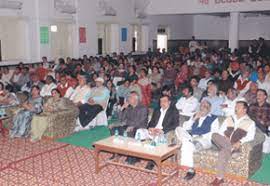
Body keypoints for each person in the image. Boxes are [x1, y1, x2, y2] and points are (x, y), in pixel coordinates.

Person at [210, 101, 256, 185]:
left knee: (223, 152)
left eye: (238, 107)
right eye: (236, 106)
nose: (236, 108)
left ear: (245, 109)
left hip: (235, 144)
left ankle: (219, 178)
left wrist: (240, 141)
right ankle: (231, 149)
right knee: (214, 135)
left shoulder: (250, 122)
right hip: (224, 141)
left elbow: (251, 136)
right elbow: (221, 130)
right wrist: (224, 136)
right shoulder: (229, 118)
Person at [175, 100, 219, 181]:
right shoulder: (195, 115)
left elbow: (214, 133)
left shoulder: (214, 118)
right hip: (191, 138)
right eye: (201, 106)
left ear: (209, 109)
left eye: (205, 106)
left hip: (204, 139)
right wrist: (194, 118)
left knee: (187, 144)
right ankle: (186, 141)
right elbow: (185, 128)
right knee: (179, 128)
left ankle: (190, 170)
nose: (203, 107)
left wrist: (200, 136)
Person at [108, 91, 148, 165]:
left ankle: (132, 158)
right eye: (129, 97)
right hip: (128, 126)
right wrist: (122, 108)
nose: (128, 99)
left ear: (136, 99)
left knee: (127, 131)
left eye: (130, 98)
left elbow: (140, 121)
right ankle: (117, 153)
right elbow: (121, 120)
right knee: (114, 129)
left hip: (139, 128)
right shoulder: (129, 108)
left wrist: (131, 126)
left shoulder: (143, 108)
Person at [141, 95, 179, 170]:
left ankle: (152, 161)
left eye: (164, 101)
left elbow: (175, 124)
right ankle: (140, 155)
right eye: (161, 101)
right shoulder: (157, 110)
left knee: (158, 138)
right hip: (154, 130)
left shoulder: (173, 111)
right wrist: (150, 128)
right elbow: (151, 121)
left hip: (163, 132)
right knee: (140, 132)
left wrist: (163, 130)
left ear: (169, 102)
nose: (162, 103)